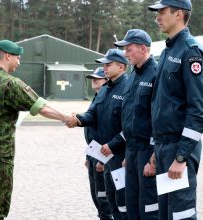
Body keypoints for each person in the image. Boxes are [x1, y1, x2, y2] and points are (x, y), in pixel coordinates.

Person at [0, 39, 75, 219]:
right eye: (17, 58)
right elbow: (42, 108)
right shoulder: (11, 83)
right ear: (8, 56)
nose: (19, 62)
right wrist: (67, 118)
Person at [147, 0, 203, 219]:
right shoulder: (168, 51)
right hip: (163, 148)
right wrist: (155, 149)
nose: (157, 17)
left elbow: (198, 110)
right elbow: (160, 104)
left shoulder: (190, 52)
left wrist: (181, 157)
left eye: (161, 12)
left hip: (179, 148)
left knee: (181, 214)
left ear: (178, 14)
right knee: (167, 213)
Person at [67, 49, 128, 220]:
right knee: (110, 199)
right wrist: (77, 119)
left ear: (121, 67)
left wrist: (113, 146)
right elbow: (92, 115)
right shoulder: (104, 89)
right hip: (106, 155)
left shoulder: (128, 88)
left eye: (108, 65)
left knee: (123, 201)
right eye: (104, 65)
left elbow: (131, 125)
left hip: (120, 154)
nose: (104, 68)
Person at [114, 29, 159, 219]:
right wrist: (127, 153)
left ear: (143, 48)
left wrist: (154, 156)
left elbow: (160, 118)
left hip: (147, 152)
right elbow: (129, 116)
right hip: (132, 151)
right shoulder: (132, 76)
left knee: (148, 207)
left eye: (129, 49)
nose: (125, 54)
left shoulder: (156, 74)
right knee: (131, 203)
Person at [84, 67, 112, 220]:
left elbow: (108, 132)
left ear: (107, 80)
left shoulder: (107, 99)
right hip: (94, 154)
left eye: (98, 78)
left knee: (104, 197)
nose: (94, 80)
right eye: (92, 78)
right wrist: (89, 157)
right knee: (96, 195)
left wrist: (102, 160)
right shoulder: (97, 98)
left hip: (104, 156)